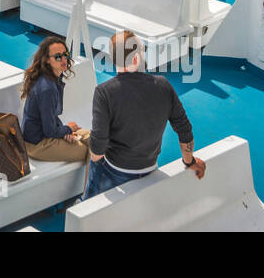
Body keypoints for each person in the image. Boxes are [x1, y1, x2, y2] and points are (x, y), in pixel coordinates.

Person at [82, 30, 205, 200]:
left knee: (94, 159)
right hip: (149, 168)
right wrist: (190, 161)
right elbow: (184, 130)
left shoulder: (104, 92)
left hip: (116, 171)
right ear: (135, 59)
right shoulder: (163, 85)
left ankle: (86, 203)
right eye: (142, 50)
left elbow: (98, 150)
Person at [20, 36, 91, 163]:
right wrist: (68, 129)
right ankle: (91, 183)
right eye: (58, 57)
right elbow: (49, 131)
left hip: (45, 135)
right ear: (47, 60)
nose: (63, 59)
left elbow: (50, 118)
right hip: (37, 144)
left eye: (65, 54)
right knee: (86, 150)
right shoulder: (48, 89)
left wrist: (65, 132)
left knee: (94, 139)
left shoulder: (53, 78)